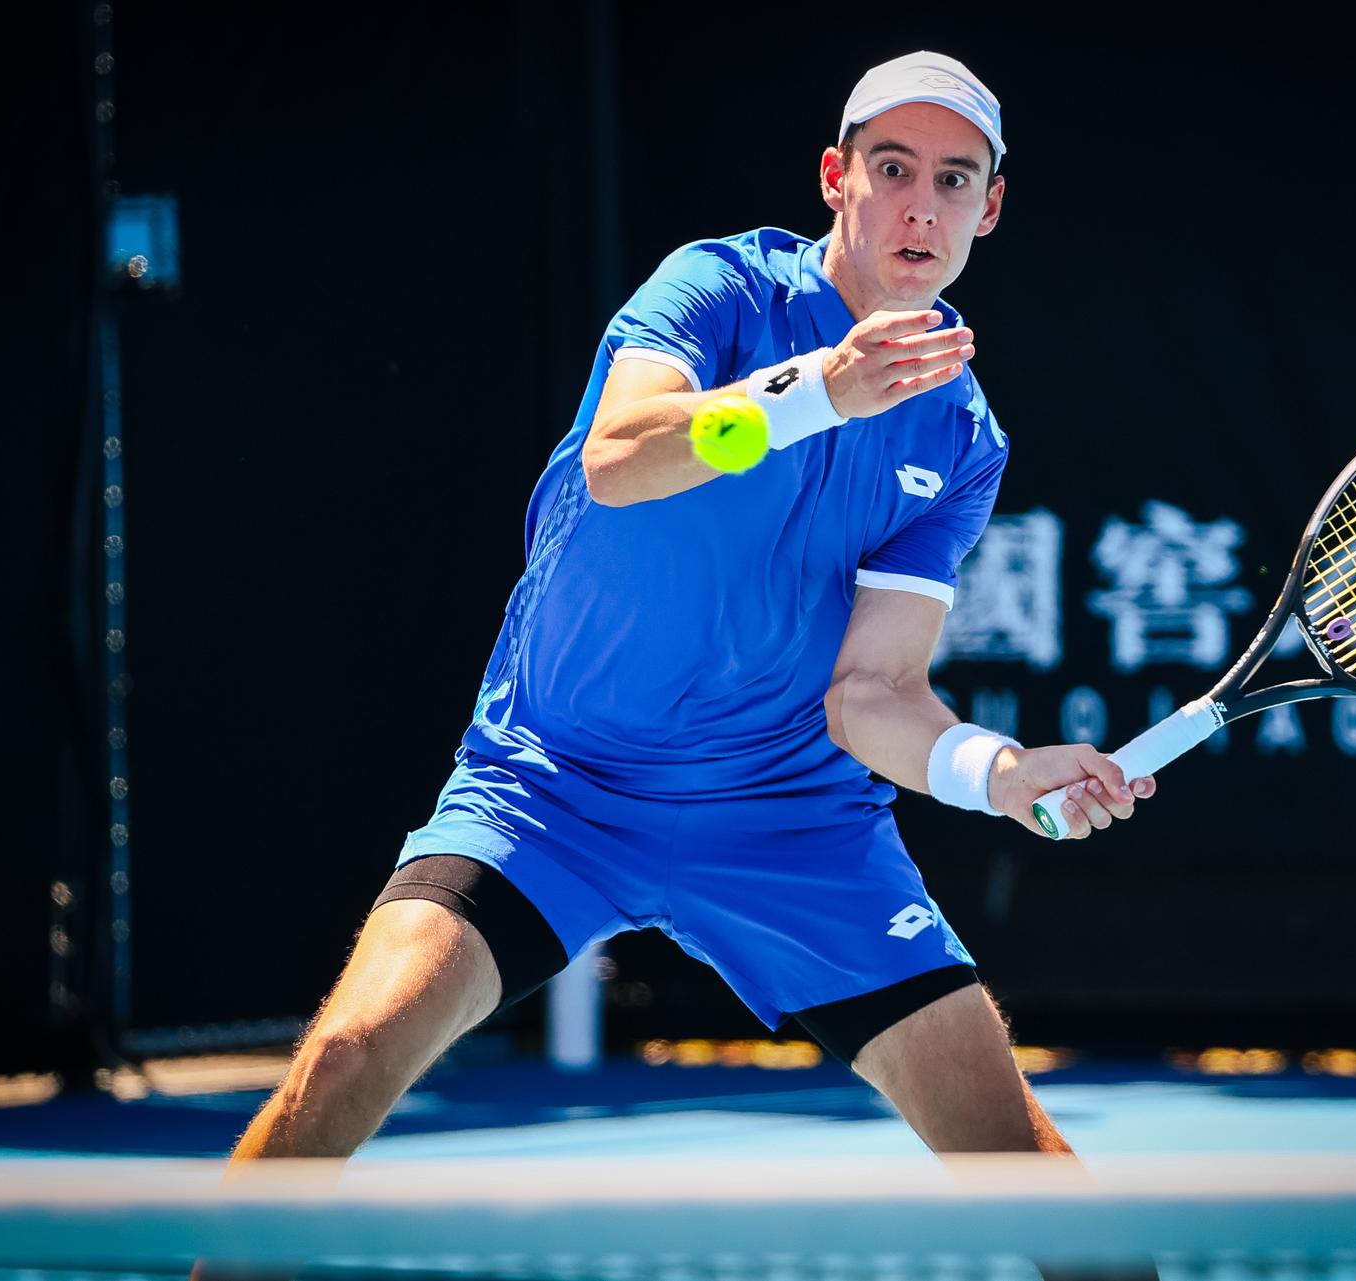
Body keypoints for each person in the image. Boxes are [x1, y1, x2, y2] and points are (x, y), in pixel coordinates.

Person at [226, 50, 1155, 1165]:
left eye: (955, 179)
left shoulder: (959, 437)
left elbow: (873, 693)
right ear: (834, 178)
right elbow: (621, 457)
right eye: (893, 167)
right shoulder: (717, 291)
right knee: (347, 1059)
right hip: (553, 793)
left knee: (1010, 1148)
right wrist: (819, 393)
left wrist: (998, 775)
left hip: (789, 820)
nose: (921, 204)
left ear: (990, 207)